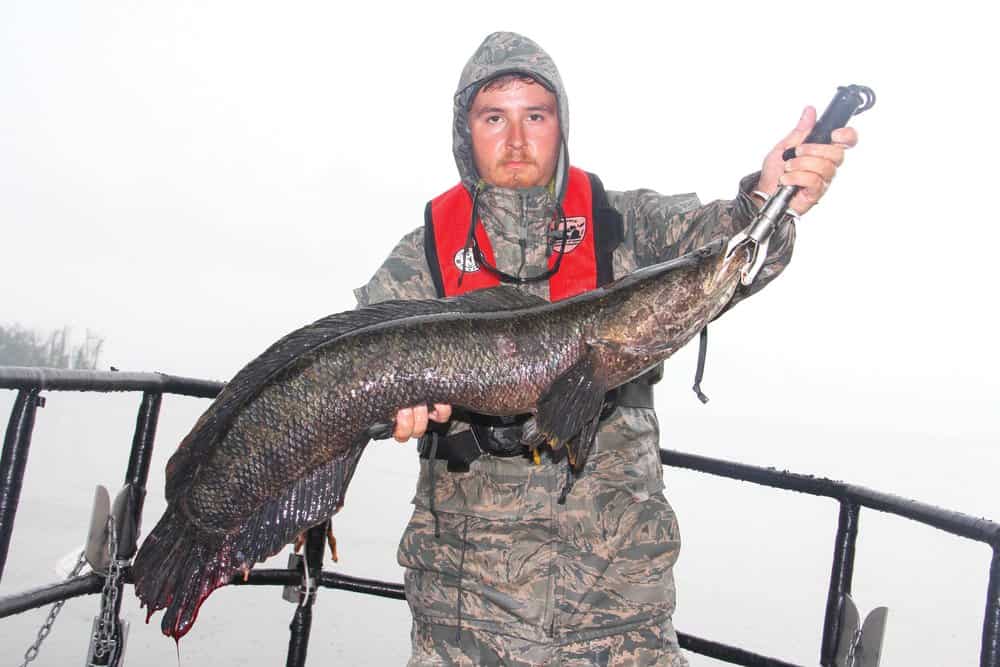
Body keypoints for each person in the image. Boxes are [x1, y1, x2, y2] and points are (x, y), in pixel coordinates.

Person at [355, 32, 857, 667]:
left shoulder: (627, 223)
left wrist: (769, 199)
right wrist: (388, 412)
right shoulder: (420, 255)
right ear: (466, 131)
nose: (515, 140)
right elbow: (352, 372)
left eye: (534, 116)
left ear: (561, 124)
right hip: (465, 615)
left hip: (621, 609)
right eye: (493, 118)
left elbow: (729, 248)